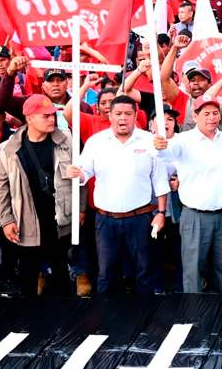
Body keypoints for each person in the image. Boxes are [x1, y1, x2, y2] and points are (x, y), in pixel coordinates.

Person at [66, 95, 169, 295]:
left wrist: (161, 213)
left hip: (140, 218)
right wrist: (76, 174)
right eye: (118, 114)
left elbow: (159, 180)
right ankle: (105, 320)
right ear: (109, 115)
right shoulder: (96, 142)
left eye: (128, 114)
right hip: (106, 220)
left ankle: (143, 318)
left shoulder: (150, 141)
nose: (123, 118)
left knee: (144, 271)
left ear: (135, 116)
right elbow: (84, 173)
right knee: (106, 272)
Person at [154, 94, 222, 294]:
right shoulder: (183, 140)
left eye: (215, 113)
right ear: (195, 116)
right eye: (206, 113)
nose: (211, 117)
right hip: (195, 217)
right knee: (193, 270)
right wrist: (160, 148)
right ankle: (193, 313)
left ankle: (220, 310)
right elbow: (165, 156)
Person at [0, 95, 83, 296]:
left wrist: (80, 207)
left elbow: (79, 173)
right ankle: (28, 318)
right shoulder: (7, 149)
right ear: (29, 118)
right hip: (25, 218)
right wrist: (6, 220)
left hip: (58, 216)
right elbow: (0, 188)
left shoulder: (66, 140)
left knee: (60, 267)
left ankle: (63, 315)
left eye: (52, 114)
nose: (51, 119)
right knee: (27, 270)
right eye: (45, 116)